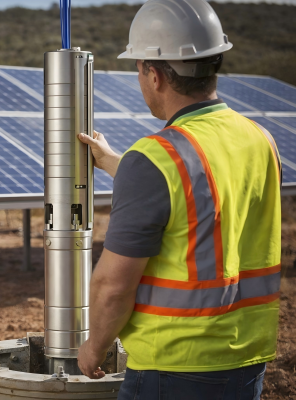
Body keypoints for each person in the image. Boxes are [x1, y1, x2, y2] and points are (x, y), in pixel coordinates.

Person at [75, 0, 282, 398]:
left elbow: (113, 286)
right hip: (248, 359)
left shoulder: (155, 157)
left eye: (138, 69)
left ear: (154, 75)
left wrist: (93, 347)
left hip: (175, 367)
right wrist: (120, 164)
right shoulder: (259, 139)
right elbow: (205, 195)